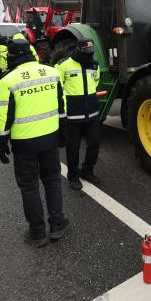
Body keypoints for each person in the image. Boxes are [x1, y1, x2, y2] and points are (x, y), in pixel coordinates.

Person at [0, 38, 70, 248]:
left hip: (24, 143)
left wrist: (1, 143)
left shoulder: (7, 81)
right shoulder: (52, 72)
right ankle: (57, 224)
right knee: (52, 180)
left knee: (29, 187)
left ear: (11, 56)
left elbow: (3, 117)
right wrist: (63, 132)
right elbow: (61, 105)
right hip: (50, 137)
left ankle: (37, 233)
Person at [55, 39, 102, 190]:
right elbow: (58, 89)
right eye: (86, 53)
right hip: (72, 116)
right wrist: (63, 112)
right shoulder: (63, 66)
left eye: (91, 52)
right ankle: (73, 175)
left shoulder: (94, 65)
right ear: (78, 51)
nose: (90, 56)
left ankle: (88, 170)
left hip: (92, 113)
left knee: (94, 143)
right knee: (73, 147)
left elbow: (95, 82)